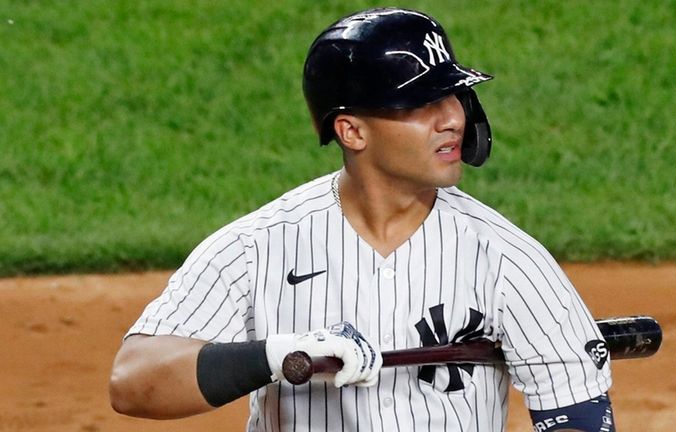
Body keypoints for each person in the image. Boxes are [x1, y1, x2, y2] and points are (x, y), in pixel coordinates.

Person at [110, 7, 615, 432]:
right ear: (351, 130)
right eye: (421, 103)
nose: (454, 118)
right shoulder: (259, 246)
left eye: (454, 97)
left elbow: (578, 415)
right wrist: (281, 354)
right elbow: (133, 382)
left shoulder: (507, 259)